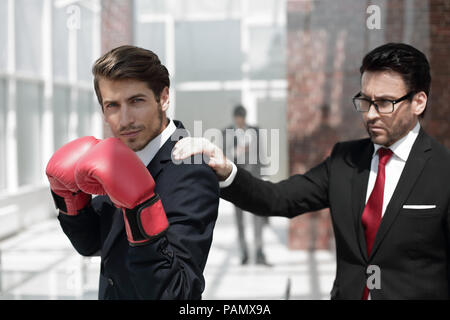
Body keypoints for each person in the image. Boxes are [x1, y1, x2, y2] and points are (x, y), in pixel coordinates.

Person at [173, 43, 450, 299]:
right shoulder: (345, 160)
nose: (371, 114)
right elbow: (278, 198)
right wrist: (226, 170)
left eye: (385, 103)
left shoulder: (443, 171)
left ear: (419, 102)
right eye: (365, 101)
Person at [45, 45, 220, 299]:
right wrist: (69, 200)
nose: (125, 119)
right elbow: (92, 243)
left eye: (136, 101)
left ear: (163, 98)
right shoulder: (116, 158)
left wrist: (142, 210)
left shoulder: (191, 171)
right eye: (112, 105)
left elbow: (178, 293)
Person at [224, 105, 270, 266]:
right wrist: (237, 151)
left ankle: (259, 252)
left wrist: (264, 176)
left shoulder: (255, 131)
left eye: (242, 119)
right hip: (237, 183)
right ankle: (244, 252)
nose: (240, 121)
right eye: (238, 119)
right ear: (235, 118)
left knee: (258, 217)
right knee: (240, 220)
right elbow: (225, 156)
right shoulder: (227, 132)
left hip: (255, 181)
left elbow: (262, 154)